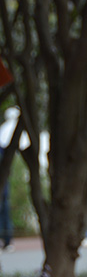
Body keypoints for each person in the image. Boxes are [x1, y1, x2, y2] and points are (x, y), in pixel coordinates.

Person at [0, 107, 30, 253]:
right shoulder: (14, 131)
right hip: (6, 174)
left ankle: (6, 238)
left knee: (3, 204)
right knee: (4, 204)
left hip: (6, 173)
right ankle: (7, 239)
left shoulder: (3, 129)